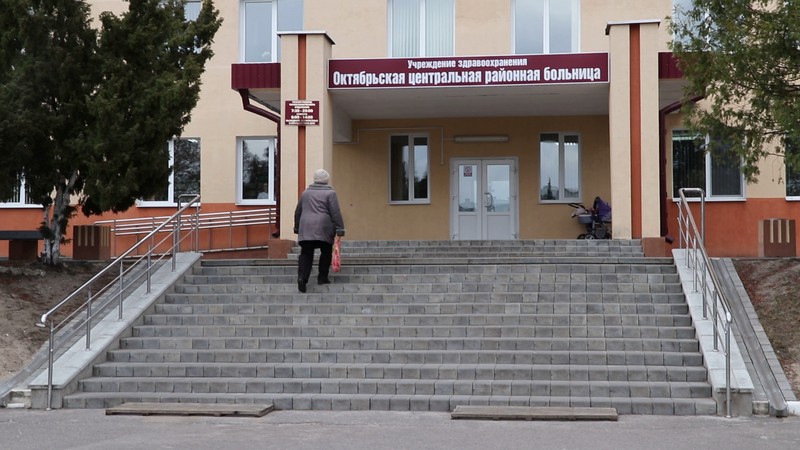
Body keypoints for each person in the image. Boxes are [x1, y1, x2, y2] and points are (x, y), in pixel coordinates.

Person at [293, 169, 345, 293]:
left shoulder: (305, 193)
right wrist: (340, 228)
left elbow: (298, 211)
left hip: (306, 227)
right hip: (324, 227)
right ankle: (322, 277)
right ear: (326, 180)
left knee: (306, 253)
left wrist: (297, 227)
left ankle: (302, 278)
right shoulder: (330, 193)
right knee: (326, 251)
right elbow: (335, 212)